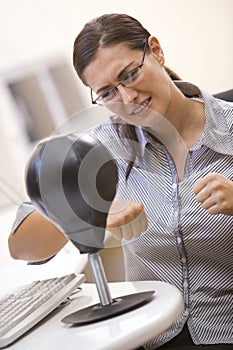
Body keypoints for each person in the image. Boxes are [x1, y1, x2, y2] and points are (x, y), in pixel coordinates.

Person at [8, 13, 233, 350]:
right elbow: (23, 246)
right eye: (108, 92)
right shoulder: (98, 150)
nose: (127, 99)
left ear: (155, 51)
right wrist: (88, 209)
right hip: (151, 337)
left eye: (129, 75)